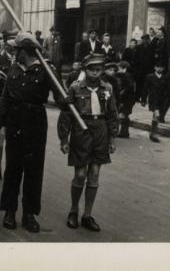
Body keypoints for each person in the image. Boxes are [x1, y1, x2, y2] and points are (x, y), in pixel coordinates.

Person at [0, 32, 62, 233]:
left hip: (35, 122)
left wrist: (67, 101)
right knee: (12, 168)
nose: (13, 52)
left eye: (17, 49)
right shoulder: (14, 68)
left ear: (26, 51)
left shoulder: (46, 70)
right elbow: (5, 97)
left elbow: (60, 97)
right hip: (15, 122)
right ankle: (9, 211)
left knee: (33, 170)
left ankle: (29, 214)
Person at [57, 54, 118, 232]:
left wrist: (112, 138)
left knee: (94, 173)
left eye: (99, 69)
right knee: (81, 174)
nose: (95, 72)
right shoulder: (75, 88)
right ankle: (74, 210)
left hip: (100, 130)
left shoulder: (107, 88)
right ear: (85, 69)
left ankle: (87, 215)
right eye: (91, 69)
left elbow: (112, 114)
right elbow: (67, 114)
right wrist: (64, 139)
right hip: (81, 130)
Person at [0, 33, 16, 182]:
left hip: (16, 106)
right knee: (0, 138)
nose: (12, 49)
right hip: (2, 103)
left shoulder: (20, 60)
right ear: (5, 45)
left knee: (13, 142)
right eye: (10, 45)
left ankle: (10, 171)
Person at [141, 62, 167, 142]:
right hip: (153, 99)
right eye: (158, 67)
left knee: (157, 116)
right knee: (157, 115)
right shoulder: (150, 77)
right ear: (154, 68)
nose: (159, 69)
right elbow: (145, 89)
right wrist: (144, 99)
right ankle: (153, 134)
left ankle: (153, 133)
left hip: (162, 100)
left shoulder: (165, 77)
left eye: (161, 67)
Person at [115, 61, 136, 138]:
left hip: (127, 99)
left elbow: (129, 87)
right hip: (127, 98)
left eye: (119, 68)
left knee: (123, 114)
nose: (118, 69)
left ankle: (123, 132)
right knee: (124, 115)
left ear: (124, 68)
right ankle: (125, 132)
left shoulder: (127, 76)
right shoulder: (124, 75)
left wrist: (121, 93)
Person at [136, 34, 154, 101]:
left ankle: (144, 98)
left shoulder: (151, 48)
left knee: (146, 84)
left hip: (148, 69)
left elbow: (152, 59)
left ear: (148, 40)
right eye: (143, 39)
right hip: (140, 69)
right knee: (139, 83)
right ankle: (137, 97)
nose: (145, 41)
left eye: (146, 39)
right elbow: (135, 57)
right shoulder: (138, 47)